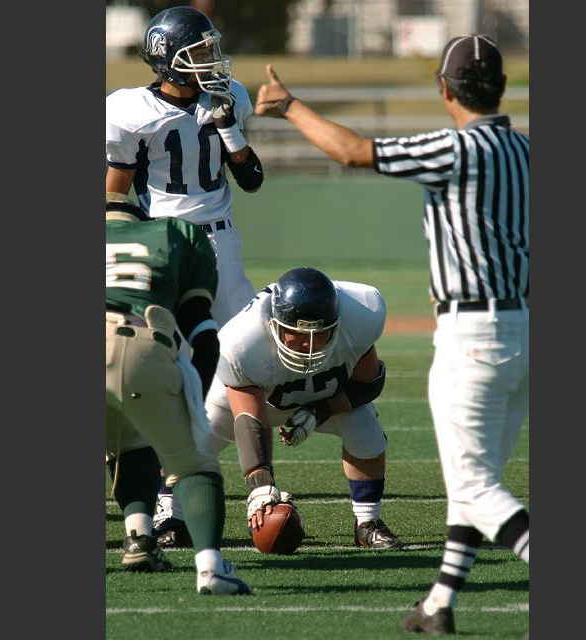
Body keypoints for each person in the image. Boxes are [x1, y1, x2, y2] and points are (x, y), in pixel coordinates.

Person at [255, 35, 529, 635]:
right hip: (522, 328)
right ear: (502, 87)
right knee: (472, 482)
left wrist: (290, 106)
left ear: (444, 88)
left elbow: (353, 151)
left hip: (474, 333)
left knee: (477, 486)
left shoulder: (458, 148)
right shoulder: (524, 150)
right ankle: (440, 602)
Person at [106, 5, 264, 542]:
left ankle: (256, 479)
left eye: (211, 48)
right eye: (199, 52)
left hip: (221, 241)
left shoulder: (229, 96)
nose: (212, 59)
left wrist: (230, 129)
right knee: (166, 362)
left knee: (242, 357)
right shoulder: (131, 110)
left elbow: (252, 180)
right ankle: (167, 490)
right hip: (165, 241)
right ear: (167, 61)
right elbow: (115, 194)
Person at [175, 267, 403, 549]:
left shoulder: (362, 313)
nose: (308, 345)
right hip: (254, 399)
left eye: (320, 334)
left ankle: (368, 523)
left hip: (322, 398)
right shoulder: (241, 342)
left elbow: (368, 385)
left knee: (364, 424)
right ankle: (169, 515)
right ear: (274, 324)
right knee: (191, 443)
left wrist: (319, 412)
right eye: (296, 334)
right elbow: (249, 419)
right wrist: (260, 484)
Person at [105, 195, 251, 595]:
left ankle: (139, 537)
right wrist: (193, 408)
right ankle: (211, 569)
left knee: (131, 442)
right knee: (193, 462)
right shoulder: (173, 232)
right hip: (137, 344)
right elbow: (203, 334)